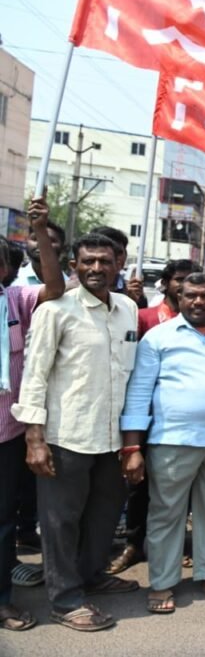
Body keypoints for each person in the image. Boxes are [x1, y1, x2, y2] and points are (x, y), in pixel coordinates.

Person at [13, 233, 140, 631]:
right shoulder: (56, 309)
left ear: (119, 264)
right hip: (66, 436)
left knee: (102, 518)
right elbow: (34, 375)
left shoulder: (128, 309)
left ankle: (90, 576)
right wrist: (34, 438)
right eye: (88, 262)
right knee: (60, 522)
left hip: (112, 438)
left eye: (104, 261)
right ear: (74, 266)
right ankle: (65, 600)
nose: (96, 269)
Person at [120, 273, 205, 613]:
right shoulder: (159, 338)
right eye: (190, 295)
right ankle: (162, 583)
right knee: (166, 513)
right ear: (179, 296)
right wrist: (132, 446)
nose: (197, 302)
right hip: (174, 440)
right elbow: (138, 394)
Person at [107, 258, 202, 576]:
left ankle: (179, 543)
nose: (184, 284)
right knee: (139, 484)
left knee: (183, 485)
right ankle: (134, 544)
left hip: (182, 423)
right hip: (145, 416)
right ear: (166, 283)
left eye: (190, 278)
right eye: (178, 279)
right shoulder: (145, 317)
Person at [0, 195, 64, 632]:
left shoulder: (17, 300)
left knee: (3, 523)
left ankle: (2, 599)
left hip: (6, 432)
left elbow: (56, 288)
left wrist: (40, 232)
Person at [91, 226, 147, 308]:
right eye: (109, 253)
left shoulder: (131, 290)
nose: (116, 259)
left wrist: (137, 300)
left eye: (119, 252)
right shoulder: (74, 292)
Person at [12, 218, 66, 288]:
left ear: (63, 248)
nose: (42, 243)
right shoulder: (13, 280)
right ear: (26, 241)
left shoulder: (71, 286)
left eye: (50, 240)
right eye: (35, 239)